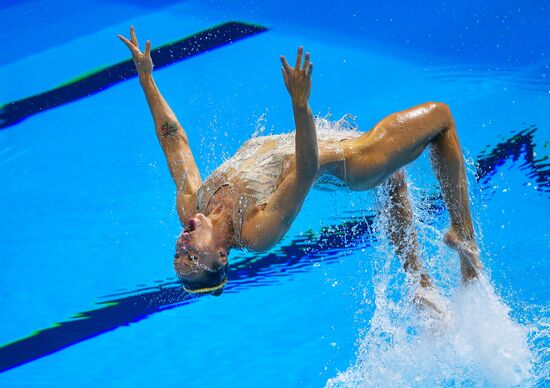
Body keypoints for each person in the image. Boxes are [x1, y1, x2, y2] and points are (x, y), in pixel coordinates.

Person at [118, 27, 482, 297]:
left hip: (322, 145)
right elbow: (305, 170)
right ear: (221, 255)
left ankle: (419, 283)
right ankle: (463, 235)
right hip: (353, 161)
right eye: (193, 259)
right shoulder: (256, 233)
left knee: (396, 180)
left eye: (179, 256)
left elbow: (173, 140)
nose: (182, 248)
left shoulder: (190, 205)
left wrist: (146, 79)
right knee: (442, 119)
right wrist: (300, 104)